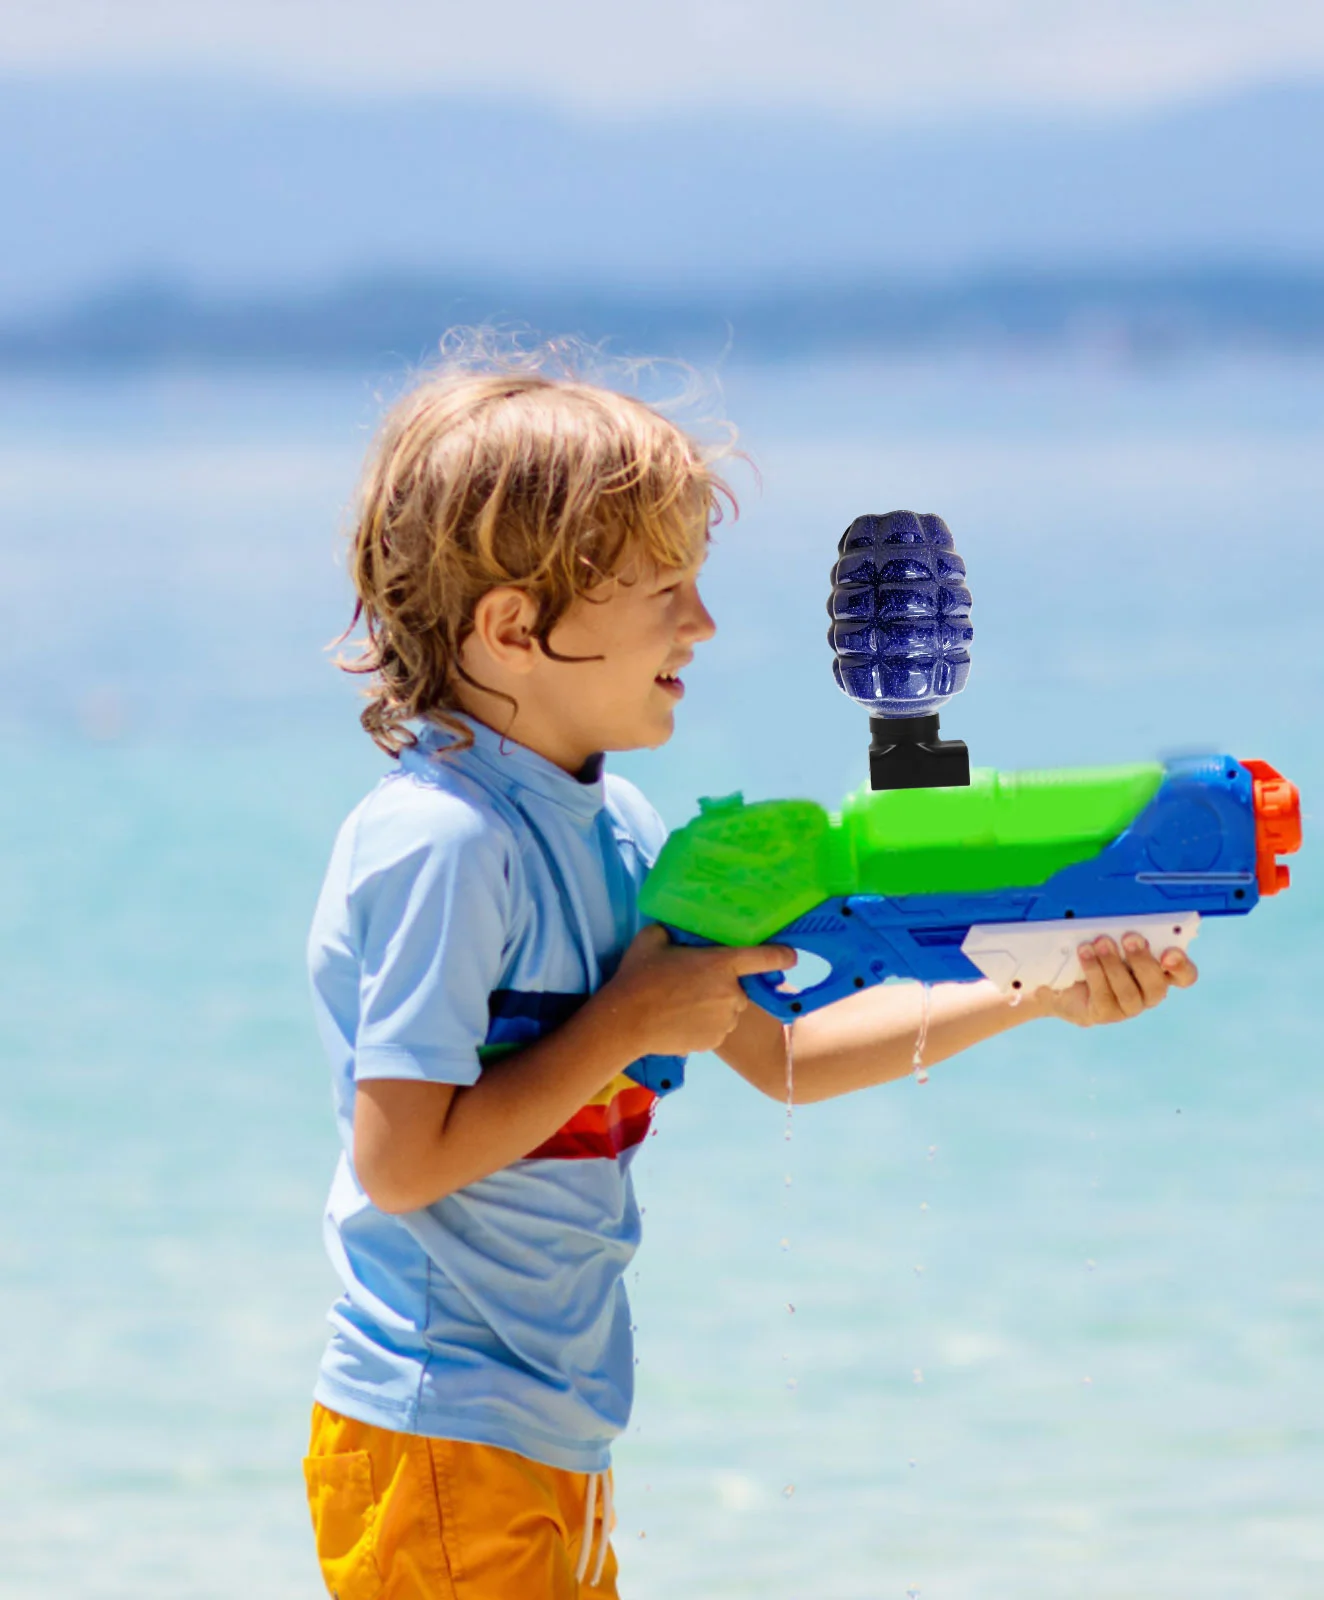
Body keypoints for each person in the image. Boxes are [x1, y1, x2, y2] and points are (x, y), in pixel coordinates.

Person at [301, 354, 1198, 1599]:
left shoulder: (620, 832)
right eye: (664, 589)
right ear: (513, 627)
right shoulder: (444, 842)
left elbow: (782, 1053)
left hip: (552, 1426)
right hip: (438, 1424)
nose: (703, 625)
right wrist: (626, 1019)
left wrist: (1035, 985)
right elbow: (399, 1163)